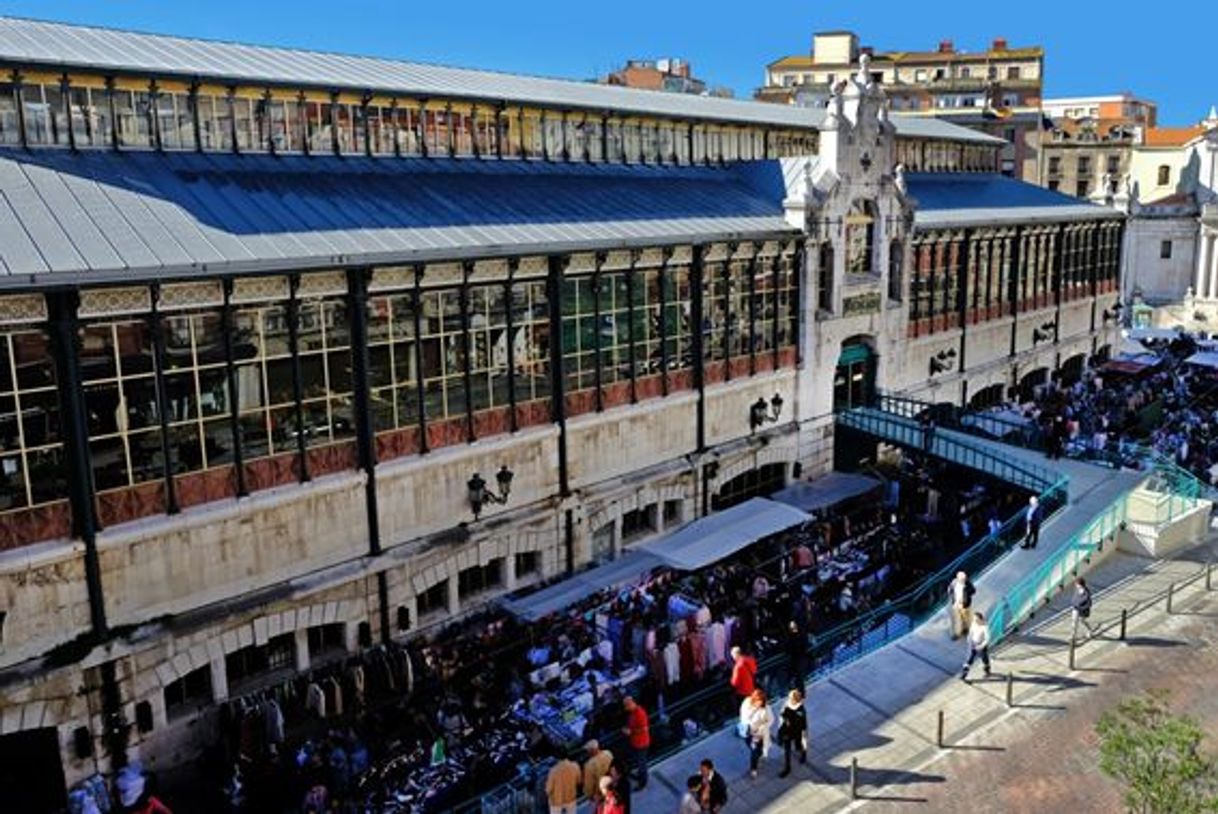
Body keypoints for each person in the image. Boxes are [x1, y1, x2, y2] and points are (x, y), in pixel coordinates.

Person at [739, 688, 774, 779]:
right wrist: (754, 710)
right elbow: (744, 719)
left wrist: (763, 727)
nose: (760, 704)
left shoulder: (766, 707)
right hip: (749, 733)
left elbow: (771, 719)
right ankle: (753, 769)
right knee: (754, 751)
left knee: (759, 751)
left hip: (761, 733)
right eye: (759, 701)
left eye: (762, 702)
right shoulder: (746, 704)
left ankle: (759, 756)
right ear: (754, 699)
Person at [777, 688, 809, 778]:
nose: (790, 700)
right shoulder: (786, 705)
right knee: (787, 751)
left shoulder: (800, 709)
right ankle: (787, 768)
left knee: (798, 746)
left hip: (796, 732)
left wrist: (804, 733)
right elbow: (781, 719)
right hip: (787, 731)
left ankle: (803, 754)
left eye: (792, 699)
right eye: (790, 698)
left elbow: (803, 722)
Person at [620, 697, 650, 790]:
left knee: (642, 764)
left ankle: (642, 783)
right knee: (638, 761)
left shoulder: (640, 713)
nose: (626, 709)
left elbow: (644, 728)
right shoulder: (633, 713)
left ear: (631, 704)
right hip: (636, 742)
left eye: (627, 706)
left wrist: (630, 732)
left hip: (641, 743)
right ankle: (640, 778)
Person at [960, 612, 992, 682]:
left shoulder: (985, 627)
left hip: (981, 645)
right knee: (969, 659)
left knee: (985, 659)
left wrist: (981, 646)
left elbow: (987, 638)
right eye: (974, 620)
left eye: (977, 620)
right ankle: (964, 674)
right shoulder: (973, 624)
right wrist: (969, 639)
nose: (975, 621)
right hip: (973, 644)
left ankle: (987, 670)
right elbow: (971, 633)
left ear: (981, 619)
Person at [582, 740, 614, 805]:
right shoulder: (608, 753)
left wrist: (590, 796)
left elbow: (589, 784)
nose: (587, 752)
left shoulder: (589, 765)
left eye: (588, 750)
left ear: (591, 750)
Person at [948, 571, 976, 640]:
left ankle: (967, 629)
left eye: (964, 578)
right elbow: (950, 590)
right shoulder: (954, 583)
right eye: (961, 579)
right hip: (956, 604)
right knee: (956, 619)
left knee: (967, 618)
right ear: (957, 578)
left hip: (965, 605)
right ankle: (957, 633)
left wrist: (966, 591)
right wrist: (954, 600)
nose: (963, 580)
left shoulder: (968, 583)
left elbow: (973, 591)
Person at [1071, 577, 1096, 641]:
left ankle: (1089, 630)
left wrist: (1081, 607)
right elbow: (1074, 598)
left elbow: (1089, 604)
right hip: (1075, 609)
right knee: (1074, 622)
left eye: (1077, 584)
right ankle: (1073, 637)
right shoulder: (1077, 590)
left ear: (1080, 585)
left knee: (1082, 621)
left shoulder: (1086, 593)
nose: (1076, 585)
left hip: (1082, 610)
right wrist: (1073, 604)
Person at [784, 621, 807, 688]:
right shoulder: (790, 637)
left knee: (799, 672)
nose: (793, 629)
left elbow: (804, 644)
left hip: (800, 657)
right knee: (797, 672)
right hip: (796, 658)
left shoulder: (800, 634)